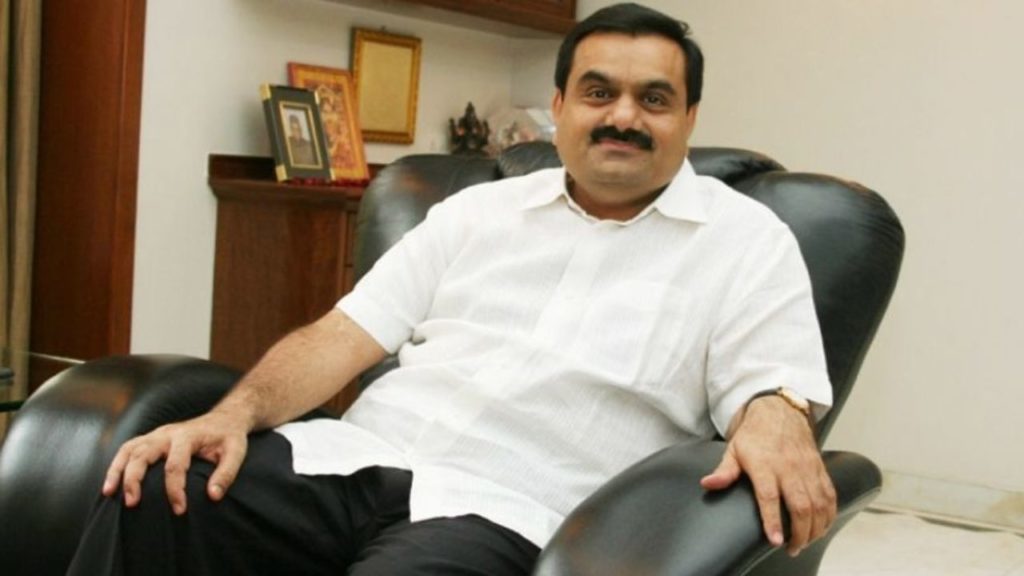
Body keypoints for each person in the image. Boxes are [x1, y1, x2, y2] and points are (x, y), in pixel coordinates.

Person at [69, 4, 836, 575]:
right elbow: (344, 335)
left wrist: (777, 415)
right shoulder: (478, 212)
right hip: (352, 461)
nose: (623, 117)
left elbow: (771, 382)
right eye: (598, 93)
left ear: (689, 117)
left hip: (509, 511)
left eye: (654, 99)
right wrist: (231, 416)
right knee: (153, 493)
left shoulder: (745, 241)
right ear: (560, 107)